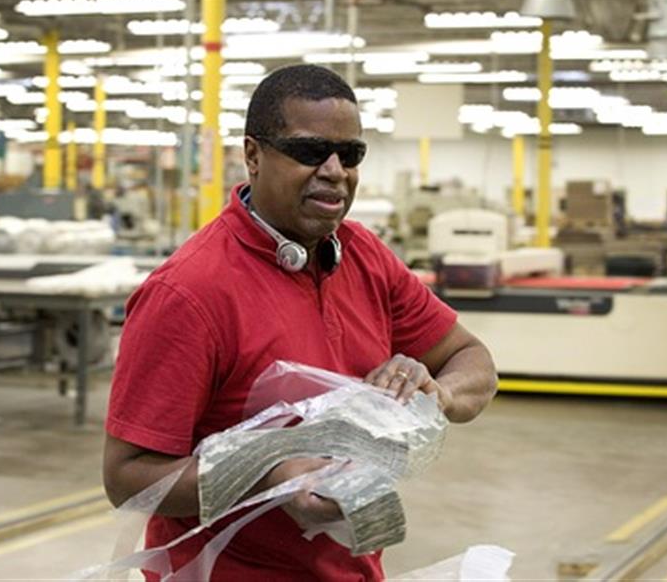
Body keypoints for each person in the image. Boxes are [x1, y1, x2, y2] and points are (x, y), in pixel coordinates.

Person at [103, 64, 498, 581]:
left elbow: (475, 365)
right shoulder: (190, 293)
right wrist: (268, 476)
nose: (335, 170)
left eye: (351, 154)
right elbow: (127, 478)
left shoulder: (365, 259)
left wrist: (431, 396)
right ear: (253, 156)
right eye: (310, 151)